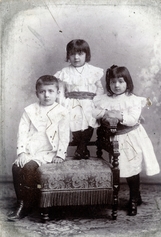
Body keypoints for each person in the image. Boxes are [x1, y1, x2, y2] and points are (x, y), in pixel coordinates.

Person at [93, 65, 160, 216]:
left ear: (127, 82)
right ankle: (136, 195)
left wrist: (117, 115)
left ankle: (133, 199)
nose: (116, 85)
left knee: (132, 169)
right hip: (115, 137)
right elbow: (95, 111)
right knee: (120, 168)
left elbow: (131, 120)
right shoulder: (104, 99)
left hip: (131, 137)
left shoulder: (133, 100)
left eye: (121, 81)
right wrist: (106, 112)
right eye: (112, 82)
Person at [8, 75, 70, 221]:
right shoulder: (30, 110)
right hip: (31, 148)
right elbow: (22, 132)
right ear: (37, 93)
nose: (46, 95)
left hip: (48, 151)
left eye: (50, 91)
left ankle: (29, 203)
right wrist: (22, 152)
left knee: (29, 168)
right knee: (16, 167)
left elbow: (64, 134)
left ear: (57, 93)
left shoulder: (62, 111)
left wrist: (60, 154)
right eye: (42, 91)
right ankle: (21, 203)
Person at [54, 39, 104, 159]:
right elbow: (60, 91)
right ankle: (82, 149)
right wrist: (61, 105)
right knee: (73, 122)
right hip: (72, 102)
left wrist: (97, 102)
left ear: (86, 55)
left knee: (90, 120)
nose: (76, 57)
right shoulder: (65, 72)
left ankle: (81, 147)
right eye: (72, 54)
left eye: (80, 54)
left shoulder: (93, 71)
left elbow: (99, 88)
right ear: (68, 55)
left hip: (89, 102)